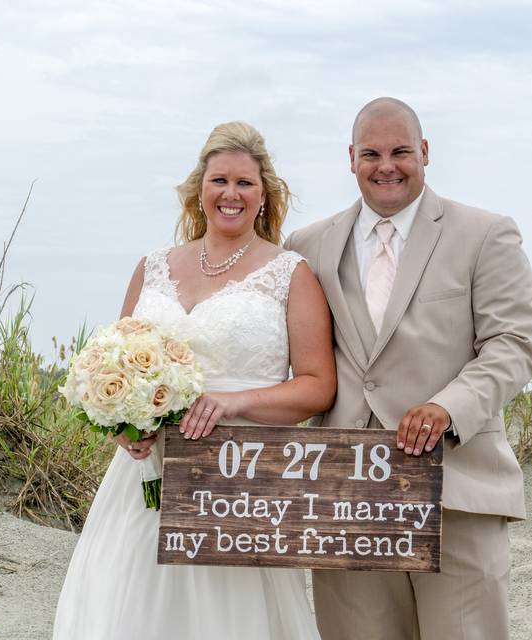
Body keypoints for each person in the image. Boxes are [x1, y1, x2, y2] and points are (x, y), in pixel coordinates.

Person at [52, 121, 336, 639]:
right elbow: (110, 358)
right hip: (145, 474)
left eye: (245, 183)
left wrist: (232, 402)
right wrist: (122, 423)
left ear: (265, 194)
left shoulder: (289, 273)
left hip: (238, 477)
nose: (231, 194)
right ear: (198, 190)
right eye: (219, 181)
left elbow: (317, 386)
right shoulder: (152, 267)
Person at [284, 97, 532, 640]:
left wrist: (448, 407)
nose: (387, 165)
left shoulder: (484, 234)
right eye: (371, 153)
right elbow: (285, 361)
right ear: (350, 158)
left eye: (401, 151)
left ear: (424, 152)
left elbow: (514, 344)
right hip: (345, 494)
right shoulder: (306, 248)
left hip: (456, 486)